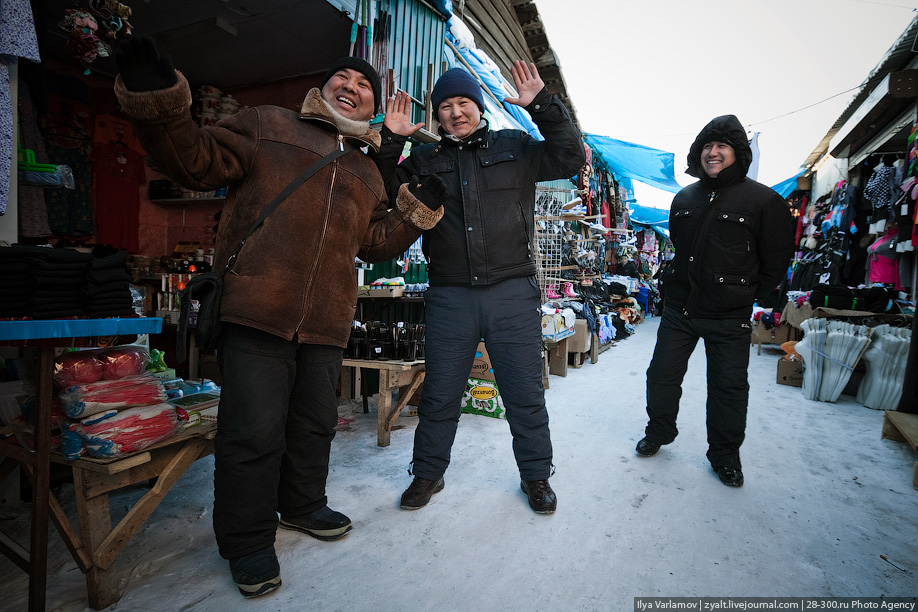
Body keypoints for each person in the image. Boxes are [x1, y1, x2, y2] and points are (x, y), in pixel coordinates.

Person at [113, 37, 448, 598]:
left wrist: (416, 209)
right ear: (321, 89)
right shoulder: (268, 124)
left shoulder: (368, 173)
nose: (353, 86)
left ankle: (302, 504)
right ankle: (246, 541)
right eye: (344, 77)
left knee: (314, 425)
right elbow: (194, 159)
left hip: (326, 319)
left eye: (365, 85)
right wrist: (159, 98)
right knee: (253, 433)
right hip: (257, 310)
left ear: (372, 107)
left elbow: (376, 243)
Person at [373, 62, 585, 514]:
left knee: (524, 392)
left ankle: (537, 477)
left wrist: (544, 106)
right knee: (441, 392)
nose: (455, 113)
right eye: (445, 106)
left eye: (463, 103)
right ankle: (428, 475)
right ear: (437, 115)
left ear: (479, 106)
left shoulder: (517, 147)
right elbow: (378, 191)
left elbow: (570, 158)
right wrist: (391, 141)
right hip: (451, 294)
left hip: (512, 291)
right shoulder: (424, 161)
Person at [634, 115, 794, 487]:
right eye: (708, 145)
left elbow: (775, 261)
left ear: (738, 153)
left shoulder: (763, 200)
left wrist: (745, 294)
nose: (713, 152)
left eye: (722, 146)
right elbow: (680, 245)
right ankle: (659, 432)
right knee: (661, 376)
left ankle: (725, 456)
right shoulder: (685, 197)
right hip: (681, 308)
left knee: (728, 387)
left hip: (728, 314)